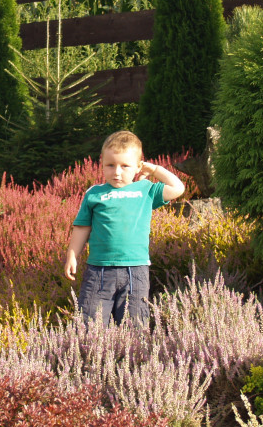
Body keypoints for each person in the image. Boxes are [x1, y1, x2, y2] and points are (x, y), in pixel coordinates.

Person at [64, 130, 186, 326]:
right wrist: (72, 254)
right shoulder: (94, 194)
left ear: (138, 166)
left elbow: (178, 188)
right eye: (110, 165)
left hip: (135, 270)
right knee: (89, 324)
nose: (117, 172)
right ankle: (91, 356)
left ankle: (133, 357)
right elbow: (82, 227)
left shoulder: (145, 190)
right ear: (102, 164)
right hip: (99, 271)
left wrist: (154, 169)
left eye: (125, 166)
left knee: (135, 324)